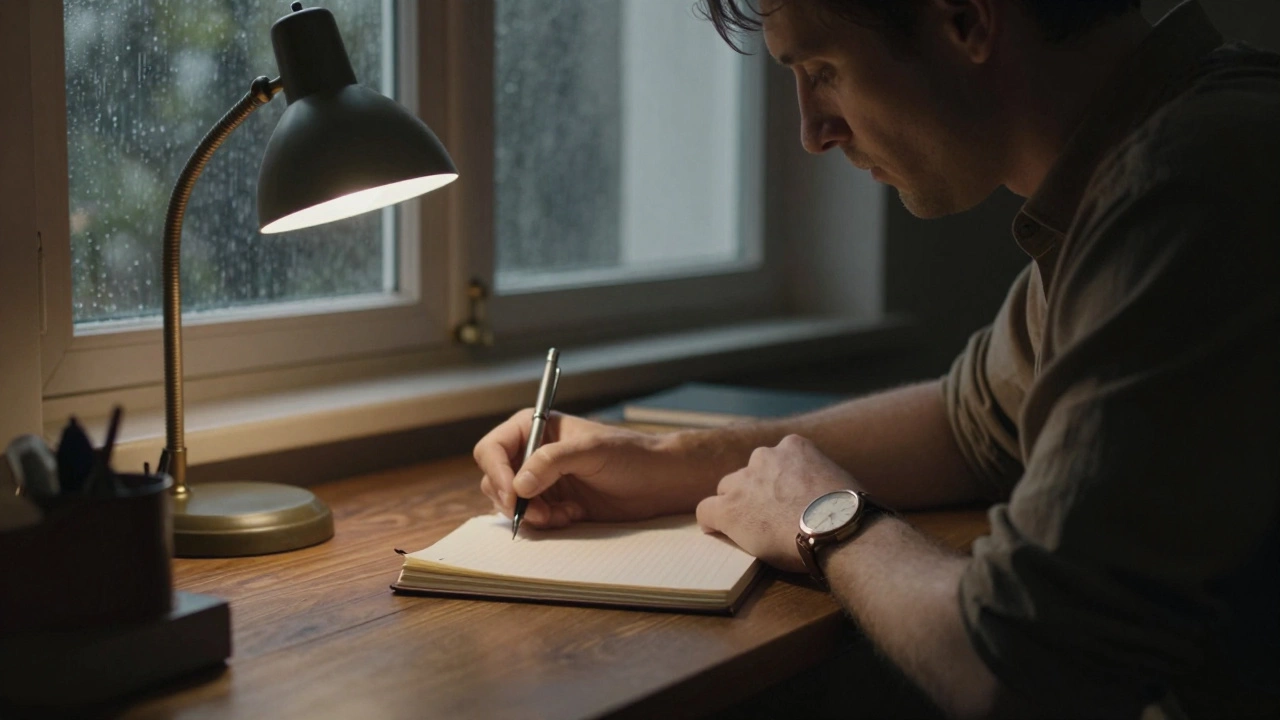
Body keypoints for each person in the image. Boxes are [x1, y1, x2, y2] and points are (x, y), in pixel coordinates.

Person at [473, 0, 1280, 717]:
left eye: (823, 70)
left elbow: (1018, 666)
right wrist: (662, 462)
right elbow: (969, 424)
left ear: (965, 21)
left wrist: (829, 520)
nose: (813, 132)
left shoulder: (1190, 190)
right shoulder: (1140, 166)